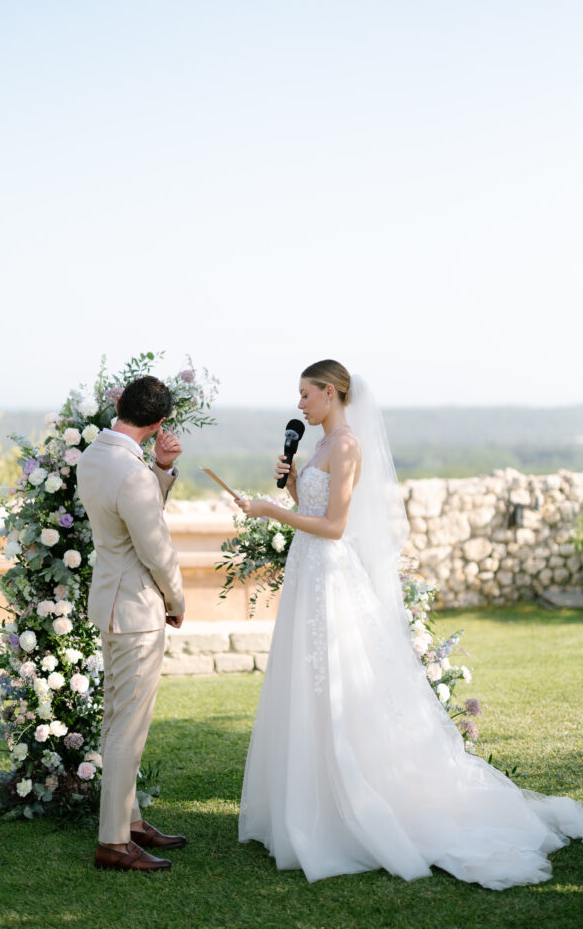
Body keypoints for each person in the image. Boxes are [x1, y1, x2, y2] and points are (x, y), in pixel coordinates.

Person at [235, 359, 583, 889]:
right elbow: (311, 505)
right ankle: (311, 801)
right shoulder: (318, 445)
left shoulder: (347, 444)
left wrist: (271, 512)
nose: (299, 405)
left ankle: (354, 803)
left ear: (331, 393)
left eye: (306, 394)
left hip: (329, 574)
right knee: (307, 682)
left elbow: (333, 526)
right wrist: (284, 490)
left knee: (340, 683)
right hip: (307, 574)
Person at [77, 375, 188, 873]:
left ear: (120, 404)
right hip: (138, 610)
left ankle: (132, 820)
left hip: (109, 602)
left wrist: (161, 469)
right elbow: (156, 549)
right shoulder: (131, 472)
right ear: (159, 422)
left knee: (116, 717)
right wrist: (178, 598)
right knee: (128, 727)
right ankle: (114, 842)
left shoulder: (94, 456)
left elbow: (128, 519)